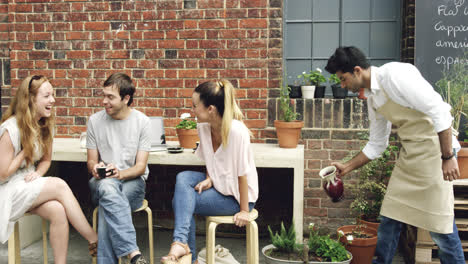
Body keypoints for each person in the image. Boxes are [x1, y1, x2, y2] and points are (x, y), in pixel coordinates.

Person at [325, 46, 465, 263]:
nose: (343, 86)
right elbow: (377, 144)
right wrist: (347, 166)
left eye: (343, 79)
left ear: (357, 70)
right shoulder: (373, 100)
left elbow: (439, 111)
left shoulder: (396, 75)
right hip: (410, 155)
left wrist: (447, 157)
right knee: (390, 217)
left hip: (434, 149)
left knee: (440, 227)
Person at [0, 75, 98, 263]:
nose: (52, 100)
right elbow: (2, 175)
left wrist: (37, 173)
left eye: (52, 95)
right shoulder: (10, 129)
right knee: (59, 185)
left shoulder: (45, 124)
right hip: (6, 190)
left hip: (25, 182)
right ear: (30, 99)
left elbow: (46, 160)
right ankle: (94, 238)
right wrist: (25, 151)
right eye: (46, 96)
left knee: (57, 210)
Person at [161, 80, 259, 264]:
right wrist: (209, 178)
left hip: (238, 197)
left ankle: (183, 250)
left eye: (195, 106)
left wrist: (245, 210)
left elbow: (242, 174)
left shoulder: (237, 132)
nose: (193, 110)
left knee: (181, 201)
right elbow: (210, 159)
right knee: (183, 178)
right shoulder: (203, 127)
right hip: (219, 186)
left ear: (210, 109)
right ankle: (182, 246)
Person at [86, 73, 151, 264]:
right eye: (104, 95)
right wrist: (96, 168)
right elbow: (90, 161)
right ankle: (133, 253)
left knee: (108, 206)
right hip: (101, 181)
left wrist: (120, 173)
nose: (104, 101)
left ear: (126, 99)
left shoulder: (142, 122)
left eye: (111, 97)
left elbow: (140, 167)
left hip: (133, 182)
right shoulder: (94, 121)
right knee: (107, 187)